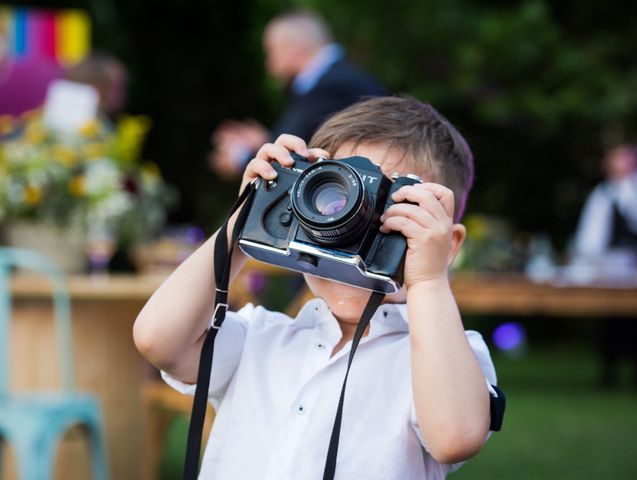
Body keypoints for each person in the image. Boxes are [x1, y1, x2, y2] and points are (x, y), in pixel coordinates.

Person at [134, 96, 501, 479]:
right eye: (337, 200)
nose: (353, 233)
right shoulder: (260, 336)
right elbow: (157, 340)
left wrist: (427, 279)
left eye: (392, 211)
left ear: (448, 244)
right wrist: (246, 220)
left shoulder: (446, 356)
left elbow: (454, 437)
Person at [209, 9, 387, 180]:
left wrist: (240, 156)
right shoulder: (338, 77)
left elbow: (290, 160)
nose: (268, 63)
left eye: (271, 51)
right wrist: (265, 141)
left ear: (294, 48)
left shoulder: (328, 87)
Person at [573, 144, 637, 388]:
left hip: (634, 264)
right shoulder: (603, 194)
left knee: (635, 321)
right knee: (610, 320)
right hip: (609, 265)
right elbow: (591, 234)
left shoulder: (634, 191)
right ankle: (609, 371)